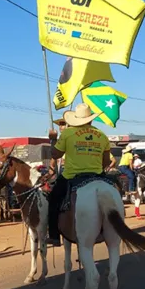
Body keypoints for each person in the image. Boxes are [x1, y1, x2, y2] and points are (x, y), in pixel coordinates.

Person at [46, 104, 111, 246]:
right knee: (116, 190)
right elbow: (106, 161)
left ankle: (55, 236)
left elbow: (55, 154)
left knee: (54, 200)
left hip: (71, 176)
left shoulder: (68, 134)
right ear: (91, 120)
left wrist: (52, 139)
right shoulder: (102, 135)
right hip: (97, 176)